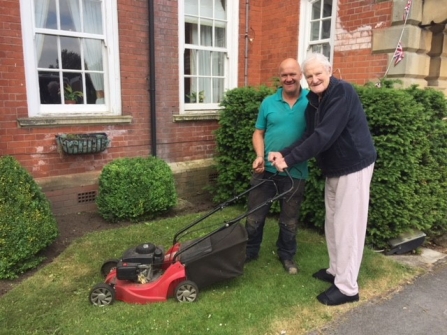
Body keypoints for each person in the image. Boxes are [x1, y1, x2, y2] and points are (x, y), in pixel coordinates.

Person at [269, 53, 377, 305]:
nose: (315, 79)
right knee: (333, 221)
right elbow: (310, 134)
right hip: (334, 168)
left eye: (319, 73)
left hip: (354, 165)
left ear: (330, 70)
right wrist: (283, 153)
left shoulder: (342, 93)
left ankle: (348, 288)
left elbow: (324, 135)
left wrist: (290, 160)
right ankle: (336, 271)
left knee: (349, 226)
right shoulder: (315, 100)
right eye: (310, 76)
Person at [244, 58, 309, 275]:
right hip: (266, 172)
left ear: (300, 75)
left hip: (296, 173)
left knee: (289, 219)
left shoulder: (313, 101)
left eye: (293, 74)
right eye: (284, 75)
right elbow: (258, 132)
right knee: (254, 216)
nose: (288, 78)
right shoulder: (268, 103)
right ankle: (250, 252)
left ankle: (287, 255)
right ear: (279, 77)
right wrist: (259, 156)